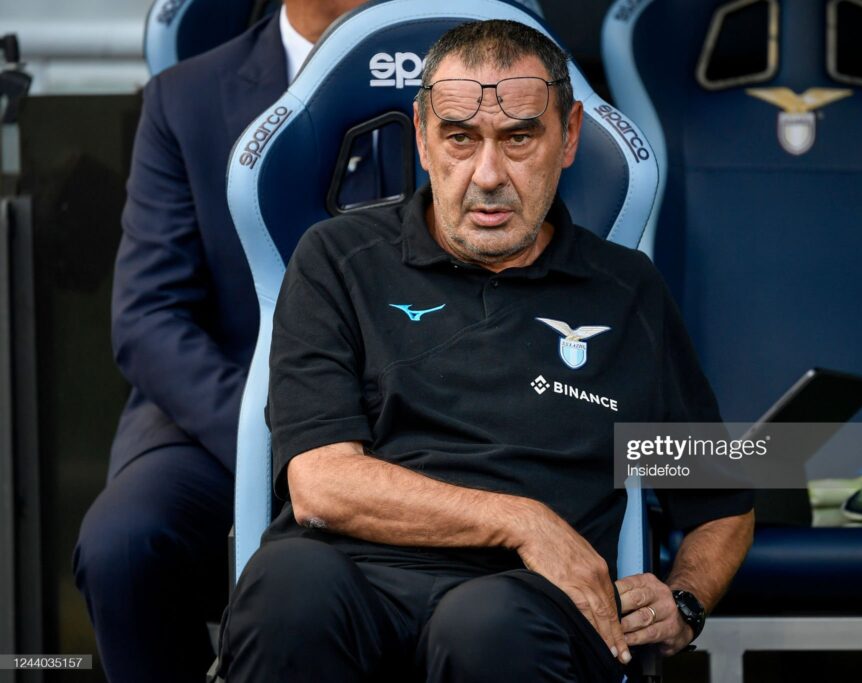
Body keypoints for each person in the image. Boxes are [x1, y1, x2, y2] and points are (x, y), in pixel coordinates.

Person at [217, 19, 755, 682]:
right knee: (285, 590)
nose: (489, 174)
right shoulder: (337, 259)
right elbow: (321, 485)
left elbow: (721, 498)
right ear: (422, 137)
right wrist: (519, 521)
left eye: (519, 137)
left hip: (526, 604)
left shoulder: (626, 290)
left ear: (569, 136)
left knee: (486, 625)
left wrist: (686, 601)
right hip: (352, 579)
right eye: (460, 138)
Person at [72, 2, 368, 681]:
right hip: (231, 416)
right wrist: (284, 440)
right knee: (123, 544)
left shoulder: (464, 77)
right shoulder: (186, 97)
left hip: (422, 417)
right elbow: (149, 318)